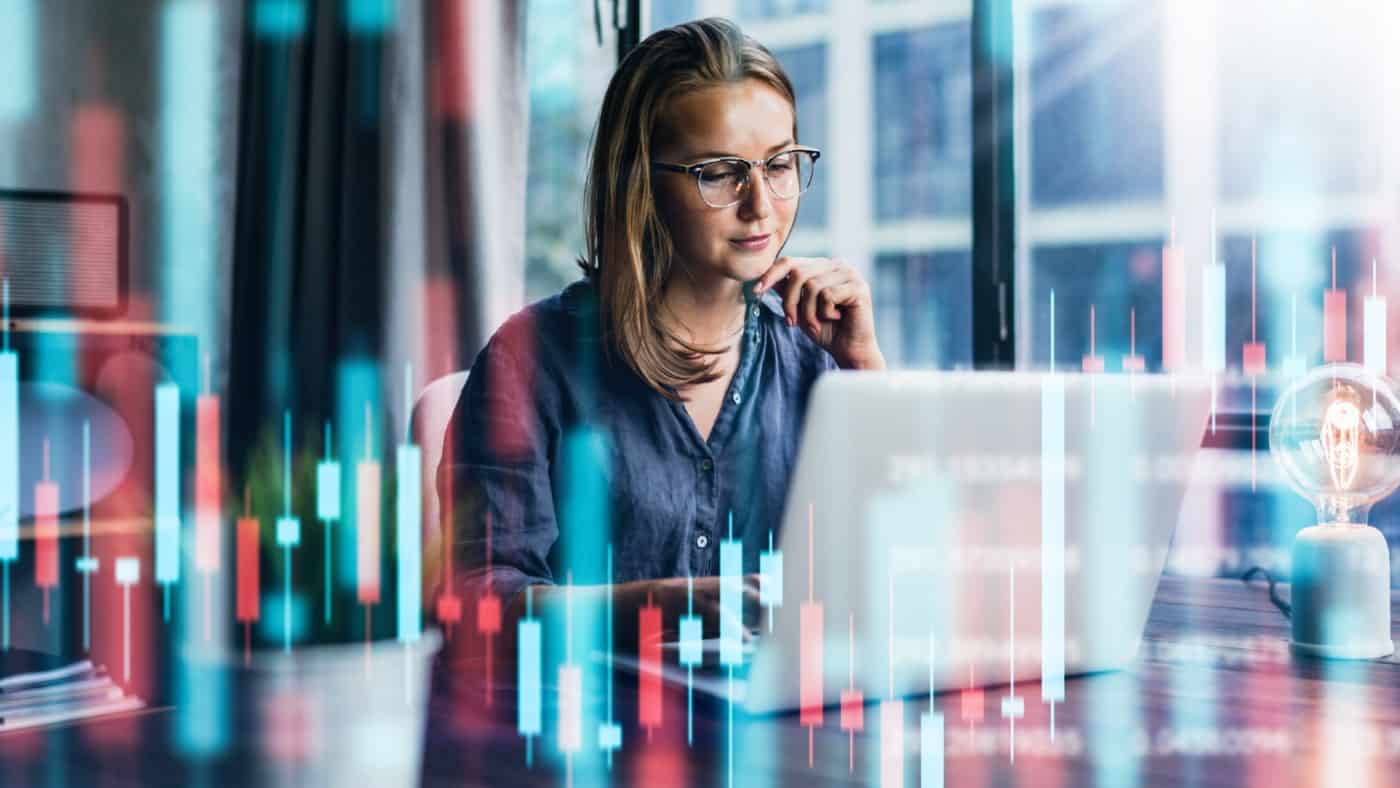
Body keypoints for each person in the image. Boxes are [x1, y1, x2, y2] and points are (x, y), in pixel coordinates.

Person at [438, 17, 883, 652]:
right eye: (720, 172)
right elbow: (474, 602)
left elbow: (906, 576)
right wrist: (650, 608)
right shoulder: (531, 360)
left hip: (774, 733)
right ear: (641, 182)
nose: (761, 204)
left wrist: (866, 367)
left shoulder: (816, 356)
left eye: (780, 164)